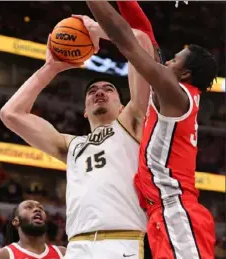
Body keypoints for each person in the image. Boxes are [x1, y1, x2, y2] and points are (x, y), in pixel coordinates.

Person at [0, 20, 154, 258]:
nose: (99, 92)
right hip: (78, 247)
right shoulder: (71, 145)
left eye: (108, 89)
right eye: (92, 91)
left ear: (122, 105)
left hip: (122, 241)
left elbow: (142, 41)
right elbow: (11, 114)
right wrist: (50, 68)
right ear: (84, 110)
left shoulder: (132, 123)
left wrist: (98, 30)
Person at [86, 1, 218, 258]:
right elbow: (143, 34)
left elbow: (127, 41)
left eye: (174, 60)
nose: (166, 61)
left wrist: (94, 13)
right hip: (163, 213)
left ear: (185, 73)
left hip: (176, 210)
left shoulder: (174, 92)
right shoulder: (172, 93)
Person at [0, 200, 66, 259]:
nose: (37, 209)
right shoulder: (4, 255)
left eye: (41, 208)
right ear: (16, 221)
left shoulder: (62, 253)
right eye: (29, 207)